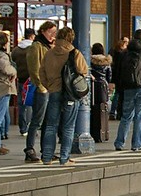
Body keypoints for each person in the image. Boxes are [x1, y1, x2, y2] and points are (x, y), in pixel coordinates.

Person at [38, 27, 89, 165]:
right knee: (68, 127)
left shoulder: (49, 53)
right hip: (70, 94)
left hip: (54, 91)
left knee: (51, 126)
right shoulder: (74, 53)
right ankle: (64, 158)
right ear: (71, 38)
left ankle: (47, 157)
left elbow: (41, 72)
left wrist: (49, 86)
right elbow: (83, 71)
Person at [114, 29, 141, 152]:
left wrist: (120, 88)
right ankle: (137, 144)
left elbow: (118, 72)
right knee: (140, 117)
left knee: (126, 116)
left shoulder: (124, 53)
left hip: (128, 88)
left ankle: (119, 143)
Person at [23, 21, 56, 162]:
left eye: (54, 32)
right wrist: (41, 86)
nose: (53, 35)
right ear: (43, 31)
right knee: (37, 120)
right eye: (50, 32)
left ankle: (46, 150)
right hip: (42, 88)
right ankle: (29, 149)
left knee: (48, 121)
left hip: (51, 88)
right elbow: (34, 68)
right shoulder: (36, 46)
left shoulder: (50, 47)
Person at [11, 27, 35, 136]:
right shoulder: (33, 49)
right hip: (31, 79)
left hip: (20, 79)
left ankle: (22, 127)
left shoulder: (16, 50)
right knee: (30, 103)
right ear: (32, 36)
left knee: (21, 104)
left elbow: (13, 62)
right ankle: (29, 127)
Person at [90, 43, 113, 143]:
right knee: (102, 109)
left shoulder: (90, 61)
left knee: (92, 109)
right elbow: (109, 77)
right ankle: (102, 132)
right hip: (103, 87)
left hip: (92, 86)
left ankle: (93, 132)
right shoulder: (106, 62)